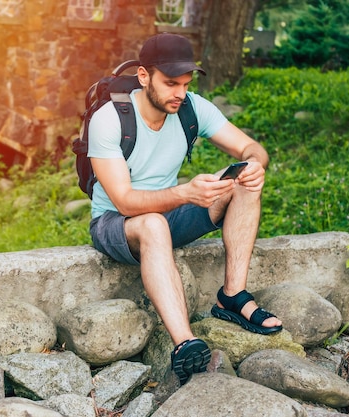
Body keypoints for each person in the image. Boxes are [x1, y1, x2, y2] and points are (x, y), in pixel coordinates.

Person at [87, 33, 283, 386]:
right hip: (117, 225)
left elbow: (251, 147)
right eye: (171, 83)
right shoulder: (109, 118)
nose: (180, 92)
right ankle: (185, 343)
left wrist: (254, 163)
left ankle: (233, 297)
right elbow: (125, 201)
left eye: (186, 83)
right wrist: (184, 193)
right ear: (145, 77)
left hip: (169, 216)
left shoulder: (191, 107)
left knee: (243, 180)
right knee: (151, 225)